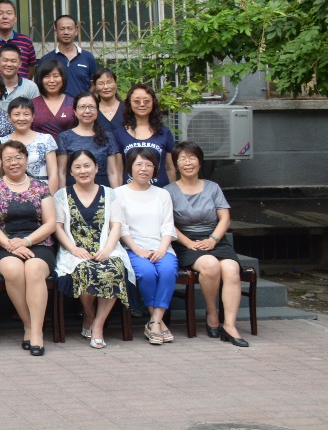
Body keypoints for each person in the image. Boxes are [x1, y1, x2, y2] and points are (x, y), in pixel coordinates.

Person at [167, 141, 249, 347]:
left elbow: (225, 219)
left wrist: (213, 239)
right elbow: (167, 224)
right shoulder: (168, 191)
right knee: (210, 265)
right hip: (185, 242)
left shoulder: (213, 187)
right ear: (176, 164)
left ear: (200, 162)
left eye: (192, 158)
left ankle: (229, 325)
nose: (188, 163)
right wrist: (189, 243)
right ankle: (212, 313)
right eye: (182, 159)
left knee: (231, 269)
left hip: (215, 239)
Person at [53, 149, 133, 350]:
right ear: (71, 172)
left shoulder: (110, 193)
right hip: (76, 251)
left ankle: (98, 325)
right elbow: (58, 227)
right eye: (77, 167)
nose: (83, 171)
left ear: (96, 168)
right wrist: (73, 249)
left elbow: (116, 225)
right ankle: (88, 314)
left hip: (106, 248)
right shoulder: (62, 195)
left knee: (114, 269)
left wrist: (107, 250)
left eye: (87, 166)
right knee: (85, 270)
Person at [0, 141, 56, 355]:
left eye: (18, 157)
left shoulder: (40, 186)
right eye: (8, 159)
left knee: (34, 269)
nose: (13, 163)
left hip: (38, 242)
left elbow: (50, 223)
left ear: (26, 159)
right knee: (13, 270)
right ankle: (29, 325)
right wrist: (10, 245)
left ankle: (37, 332)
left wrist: (27, 241)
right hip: (4, 244)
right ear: (2, 162)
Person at [116, 147, 178, 344]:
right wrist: (137, 249)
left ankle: (154, 322)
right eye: (139, 165)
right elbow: (121, 227)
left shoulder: (163, 194)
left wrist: (162, 249)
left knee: (168, 271)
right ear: (130, 167)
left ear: (155, 169)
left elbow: (168, 226)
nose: (144, 169)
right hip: (133, 248)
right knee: (147, 273)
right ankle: (158, 322)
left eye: (149, 165)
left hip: (161, 247)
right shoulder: (119, 193)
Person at [114, 83, 177, 186]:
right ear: (129, 104)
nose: (142, 104)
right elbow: (118, 170)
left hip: (161, 191)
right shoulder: (119, 134)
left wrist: (172, 192)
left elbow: (170, 168)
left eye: (146, 101)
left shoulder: (164, 132)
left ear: (153, 103)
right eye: (137, 101)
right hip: (130, 192)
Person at [57, 91, 122, 188]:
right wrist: (62, 195)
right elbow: (61, 172)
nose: (87, 111)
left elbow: (112, 172)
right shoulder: (64, 137)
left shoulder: (107, 136)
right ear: (75, 111)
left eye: (91, 107)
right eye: (82, 107)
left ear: (97, 111)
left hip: (102, 187)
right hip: (74, 187)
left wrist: (115, 194)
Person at [6, 96, 61, 193]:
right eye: (17, 114)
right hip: (12, 193)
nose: (21, 118)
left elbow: (53, 174)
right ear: (9, 118)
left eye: (26, 114)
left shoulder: (46, 139)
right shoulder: (3, 141)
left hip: (42, 191)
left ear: (33, 117)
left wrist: (50, 197)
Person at [42, 14, 99, 98]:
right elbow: (42, 85)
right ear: (56, 32)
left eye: (70, 28)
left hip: (81, 105)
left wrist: (85, 99)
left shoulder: (88, 57)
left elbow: (94, 83)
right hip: (56, 105)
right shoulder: (46, 59)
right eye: (62, 29)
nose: (66, 32)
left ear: (76, 31)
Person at [0, 0, 37, 76]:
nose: (5, 17)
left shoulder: (26, 41)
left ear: (15, 18)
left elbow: (30, 70)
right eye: (0, 13)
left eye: (9, 13)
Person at [31, 60, 77, 137]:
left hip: (70, 144)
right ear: (40, 79)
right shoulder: (32, 104)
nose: (52, 81)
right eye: (47, 76)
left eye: (56, 76)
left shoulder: (73, 103)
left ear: (63, 78)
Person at [0, 44, 39, 110]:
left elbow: (36, 113)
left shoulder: (30, 87)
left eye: (13, 61)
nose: (9, 64)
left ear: (20, 63)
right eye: (5, 60)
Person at [93, 68, 124, 135]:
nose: (106, 87)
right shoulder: (92, 111)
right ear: (95, 87)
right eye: (101, 84)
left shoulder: (127, 108)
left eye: (109, 83)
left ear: (116, 84)